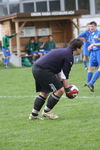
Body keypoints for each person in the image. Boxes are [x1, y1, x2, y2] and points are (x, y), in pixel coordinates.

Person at [29, 38, 83, 120]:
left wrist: (61, 83)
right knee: (60, 90)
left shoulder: (64, 51)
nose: (82, 49)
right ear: (77, 48)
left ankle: (33, 115)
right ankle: (47, 112)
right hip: (43, 70)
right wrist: (67, 89)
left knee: (45, 92)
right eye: (82, 47)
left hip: (37, 68)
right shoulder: (69, 56)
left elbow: (59, 71)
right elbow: (65, 75)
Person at [84, 21, 100, 92]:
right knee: (90, 68)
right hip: (93, 53)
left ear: (96, 27)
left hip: (99, 52)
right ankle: (88, 83)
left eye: (92, 26)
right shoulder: (91, 34)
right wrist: (90, 47)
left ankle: (91, 83)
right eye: (90, 26)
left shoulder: (98, 33)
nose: (91, 28)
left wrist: (93, 45)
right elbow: (92, 43)